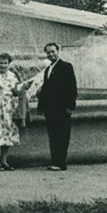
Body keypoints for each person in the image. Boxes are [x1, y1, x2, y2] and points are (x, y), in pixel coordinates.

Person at [36, 42, 77, 171]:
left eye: (53, 51)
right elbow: (45, 89)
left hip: (62, 108)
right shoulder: (48, 69)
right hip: (50, 109)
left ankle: (61, 162)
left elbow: (72, 87)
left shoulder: (66, 66)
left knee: (62, 135)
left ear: (58, 51)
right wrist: (41, 107)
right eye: (48, 52)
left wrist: (70, 106)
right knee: (53, 135)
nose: (51, 54)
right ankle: (55, 161)